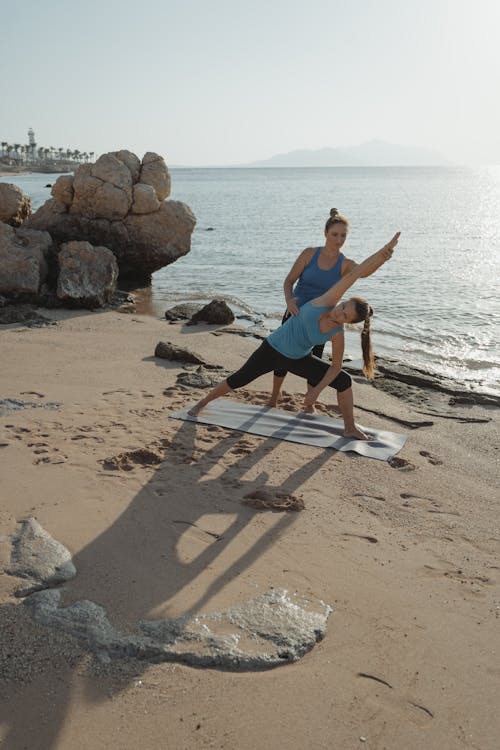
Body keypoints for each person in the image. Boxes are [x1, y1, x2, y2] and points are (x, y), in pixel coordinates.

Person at [187, 231, 400, 440]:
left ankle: (350, 428)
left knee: (344, 380)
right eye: (343, 306)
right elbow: (355, 274)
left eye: (345, 314)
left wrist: (316, 391)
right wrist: (383, 253)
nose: (339, 311)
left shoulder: (337, 334)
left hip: (298, 358)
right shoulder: (326, 302)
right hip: (272, 349)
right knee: (240, 378)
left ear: (349, 322)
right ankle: (202, 403)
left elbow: (335, 367)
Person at [268, 208, 381, 408]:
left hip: (323, 320)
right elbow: (289, 281)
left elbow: (364, 271)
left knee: (315, 362)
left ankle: (309, 402)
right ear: (325, 233)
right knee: (280, 358)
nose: (339, 239)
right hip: (296, 314)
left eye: (343, 236)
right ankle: (273, 397)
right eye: (335, 234)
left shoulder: (344, 264)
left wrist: (383, 257)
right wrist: (289, 300)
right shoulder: (309, 254)